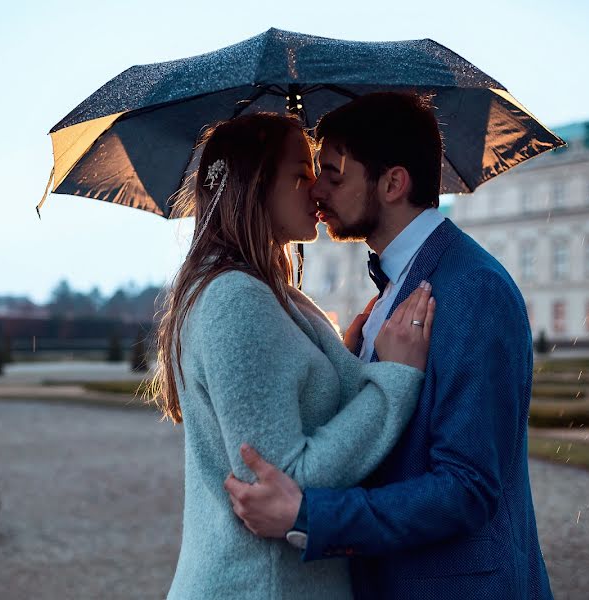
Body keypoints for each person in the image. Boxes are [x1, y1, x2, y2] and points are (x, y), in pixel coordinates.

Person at [224, 93, 554, 599]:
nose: (317, 188)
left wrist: (310, 516)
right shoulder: (397, 287)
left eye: (335, 174)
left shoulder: (473, 289)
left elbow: (467, 488)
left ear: (393, 183)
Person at [153, 112, 436, 600]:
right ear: (254, 185)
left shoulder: (269, 291)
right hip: (262, 586)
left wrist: (343, 354)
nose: (317, 190)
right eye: (300, 175)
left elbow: (297, 402)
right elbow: (284, 479)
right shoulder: (235, 299)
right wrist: (394, 378)